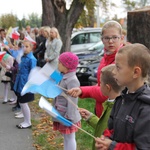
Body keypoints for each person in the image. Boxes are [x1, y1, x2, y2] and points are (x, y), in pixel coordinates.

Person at [95, 43, 150, 150]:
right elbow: (112, 128)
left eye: (118, 67)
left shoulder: (146, 108)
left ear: (135, 72)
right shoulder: (121, 98)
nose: (114, 72)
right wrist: (105, 138)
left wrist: (112, 146)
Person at [68, 20, 124, 117]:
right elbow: (100, 85)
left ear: (121, 38)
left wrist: (83, 90)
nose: (110, 41)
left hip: (114, 113)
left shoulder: (122, 61)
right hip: (102, 110)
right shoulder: (105, 57)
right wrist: (82, 90)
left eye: (115, 37)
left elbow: (107, 92)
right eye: (107, 38)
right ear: (102, 39)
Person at [79, 64, 123, 150]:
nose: (98, 85)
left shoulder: (117, 109)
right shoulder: (109, 103)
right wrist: (90, 117)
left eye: (100, 83)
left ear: (107, 87)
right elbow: (105, 128)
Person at [53, 52, 81, 150]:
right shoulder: (62, 75)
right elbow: (53, 81)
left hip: (68, 115)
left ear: (66, 66)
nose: (58, 65)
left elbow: (73, 101)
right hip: (61, 112)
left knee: (70, 137)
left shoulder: (72, 80)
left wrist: (69, 116)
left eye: (59, 63)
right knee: (66, 137)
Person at [14, 40, 37, 129]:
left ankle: (28, 122)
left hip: (26, 83)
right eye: (23, 46)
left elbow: (33, 72)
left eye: (27, 46)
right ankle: (25, 120)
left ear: (31, 48)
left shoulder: (32, 59)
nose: (24, 48)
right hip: (20, 81)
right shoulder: (23, 57)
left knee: (24, 102)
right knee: (21, 101)